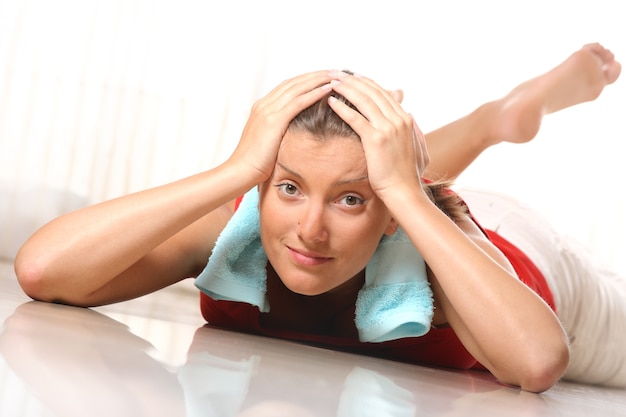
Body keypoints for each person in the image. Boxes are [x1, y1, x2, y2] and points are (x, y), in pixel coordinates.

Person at [13, 43, 623, 393]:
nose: (308, 230)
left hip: (522, 257)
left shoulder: (423, 220)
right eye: (287, 187)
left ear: (392, 211)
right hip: (398, 196)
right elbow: (43, 270)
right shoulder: (248, 217)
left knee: (364, 183)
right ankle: (494, 120)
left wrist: (407, 195)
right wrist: (237, 169)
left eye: (353, 202)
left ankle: (475, 132)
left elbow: (538, 362)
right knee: (339, 170)